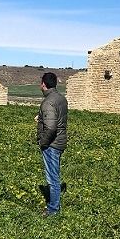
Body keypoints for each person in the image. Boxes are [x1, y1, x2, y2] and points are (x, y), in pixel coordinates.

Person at [36, 71, 68, 216]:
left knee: (52, 177)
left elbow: (51, 127)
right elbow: (55, 119)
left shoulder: (48, 102)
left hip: (52, 144)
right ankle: (54, 205)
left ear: (43, 84)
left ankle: (53, 209)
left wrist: (43, 142)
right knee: (54, 174)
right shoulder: (61, 98)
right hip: (60, 141)